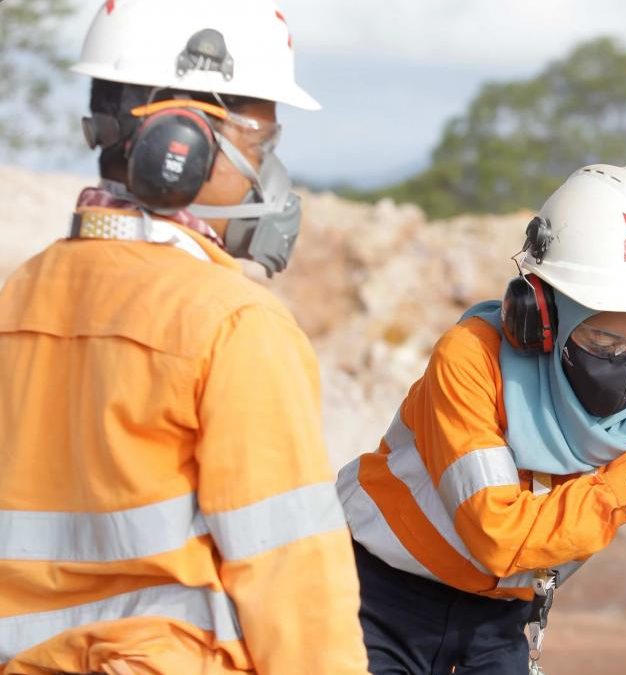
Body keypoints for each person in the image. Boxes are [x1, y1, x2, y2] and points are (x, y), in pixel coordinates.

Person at [0, 1, 368, 673]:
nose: (270, 175)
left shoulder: (18, 294)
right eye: (261, 145)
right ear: (183, 145)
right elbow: (292, 575)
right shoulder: (232, 323)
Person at [338, 163, 626, 674]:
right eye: (603, 342)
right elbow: (499, 537)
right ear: (540, 316)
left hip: (495, 623)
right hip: (373, 595)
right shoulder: (471, 363)